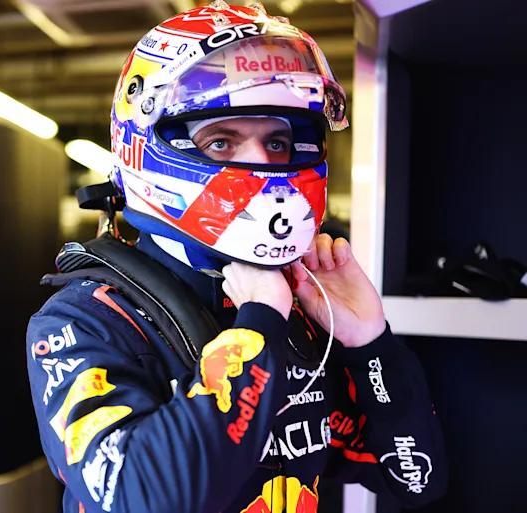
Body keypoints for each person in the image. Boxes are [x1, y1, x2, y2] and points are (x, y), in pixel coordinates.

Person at [26, 3, 447, 512]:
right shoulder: (84, 320)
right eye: (222, 141)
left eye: (278, 141)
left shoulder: (300, 309)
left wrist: (369, 342)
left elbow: (415, 478)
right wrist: (259, 328)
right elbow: (142, 497)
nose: (262, 165)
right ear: (147, 149)